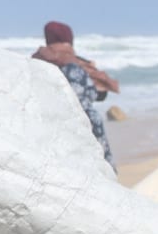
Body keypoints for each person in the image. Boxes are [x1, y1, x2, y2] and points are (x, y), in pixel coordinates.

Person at [31, 20, 119, 165]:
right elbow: (95, 94)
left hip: (48, 126)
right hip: (85, 125)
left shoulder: (37, 61)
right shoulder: (75, 65)